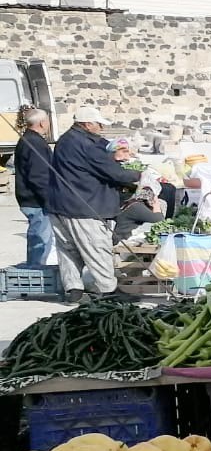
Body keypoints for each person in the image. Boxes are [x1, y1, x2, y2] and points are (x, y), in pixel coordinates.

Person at [47, 106, 141, 303]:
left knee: (68, 249)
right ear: (87, 124)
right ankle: (108, 290)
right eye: (98, 124)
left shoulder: (66, 140)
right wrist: (138, 176)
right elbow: (112, 172)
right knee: (97, 246)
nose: (101, 128)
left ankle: (73, 290)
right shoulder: (85, 144)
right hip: (83, 205)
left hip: (60, 204)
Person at [12, 106, 53, 269]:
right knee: (40, 240)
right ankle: (36, 271)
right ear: (42, 123)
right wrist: (49, 199)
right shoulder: (34, 143)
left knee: (40, 237)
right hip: (36, 200)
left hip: (30, 198)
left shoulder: (29, 140)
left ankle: (35, 269)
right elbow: (38, 176)